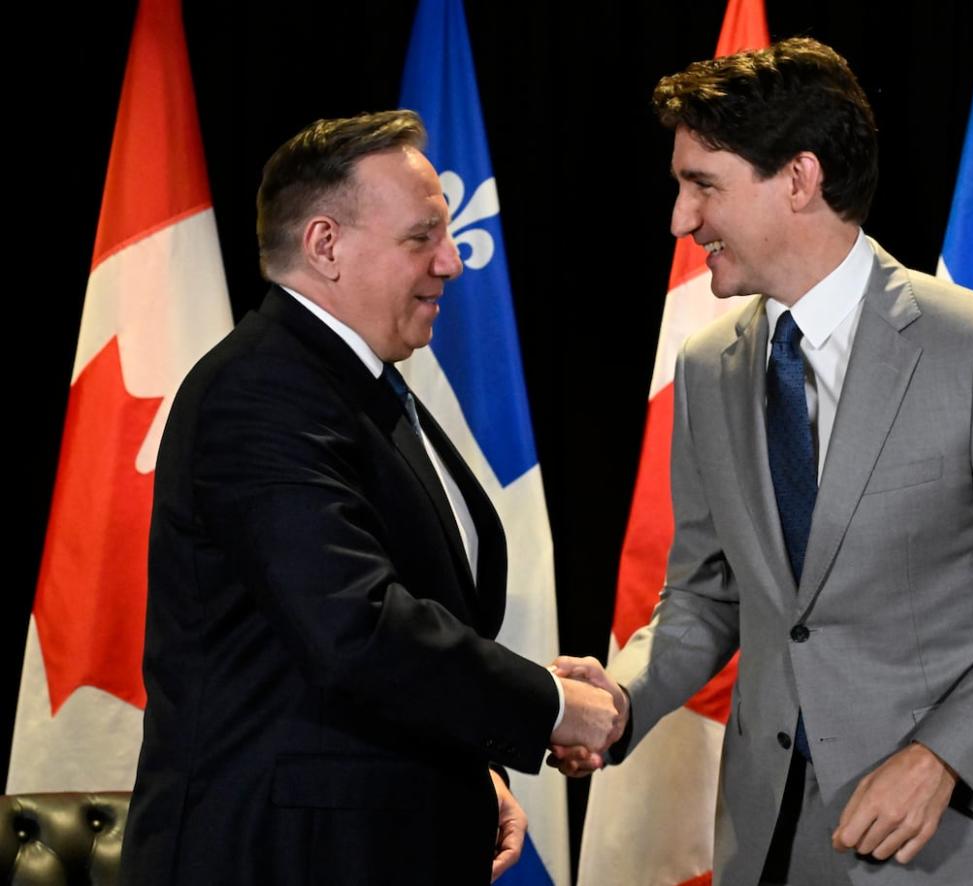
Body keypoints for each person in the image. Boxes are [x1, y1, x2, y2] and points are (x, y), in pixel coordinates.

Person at [551, 38, 973, 885]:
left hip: (954, 842)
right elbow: (706, 593)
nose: (680, 219)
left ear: (800, 178)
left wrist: (942, 756)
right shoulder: (709, 366)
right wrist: (625, 694)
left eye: (702, 184)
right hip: (769, 839)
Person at [120, 110, 617, 886]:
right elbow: (355, 627)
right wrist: (548, 705)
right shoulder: (259, 391)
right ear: (325, 245)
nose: (452, 262)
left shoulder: (357, 385)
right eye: (421, 237)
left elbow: (389, 622)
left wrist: (472, 769)